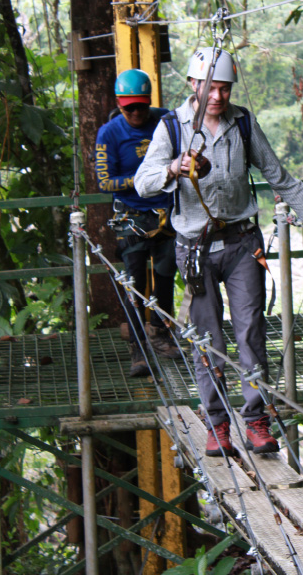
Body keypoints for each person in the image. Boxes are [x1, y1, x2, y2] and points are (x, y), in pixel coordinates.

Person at [134, 47, 303, 456]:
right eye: (211, 89)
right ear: (193, 85)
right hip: (196, 247)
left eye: (225, 89)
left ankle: (256, 420)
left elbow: (277, 172)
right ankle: (216, 423)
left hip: (243, 243)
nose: (218, 97)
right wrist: (174, 167)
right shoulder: (172, 127)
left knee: (251, 332)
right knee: (207, 339)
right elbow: (143, 182)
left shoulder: (242, 123)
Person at [95, 68, 181, 378]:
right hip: (131, 215)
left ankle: (160, 331)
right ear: (119, 104)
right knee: (135, 282)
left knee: (166, 274)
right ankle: (137, 346)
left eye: (140, 106)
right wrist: (146, 181)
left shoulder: (166, 121)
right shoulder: (110, 133)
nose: (135, 113)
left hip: (167, 213)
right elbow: (104, 181)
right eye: (128, 107)